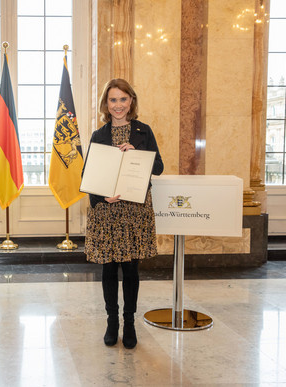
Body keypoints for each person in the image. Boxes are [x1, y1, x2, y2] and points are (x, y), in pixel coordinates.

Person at [84, 78, 163, 349]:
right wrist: (100, 196)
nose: (118, 105)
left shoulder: (144, 131)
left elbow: (159, 167)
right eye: (113, 100)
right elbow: (88, 176)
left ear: (131, 101)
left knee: (131, 269)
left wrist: (138, 152)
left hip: (135, 211)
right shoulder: (99, 135)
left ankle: (129, 322)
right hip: (107, 211)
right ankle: (112, 322)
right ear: (106, 104)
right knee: (109, 269)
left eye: (123, 99)